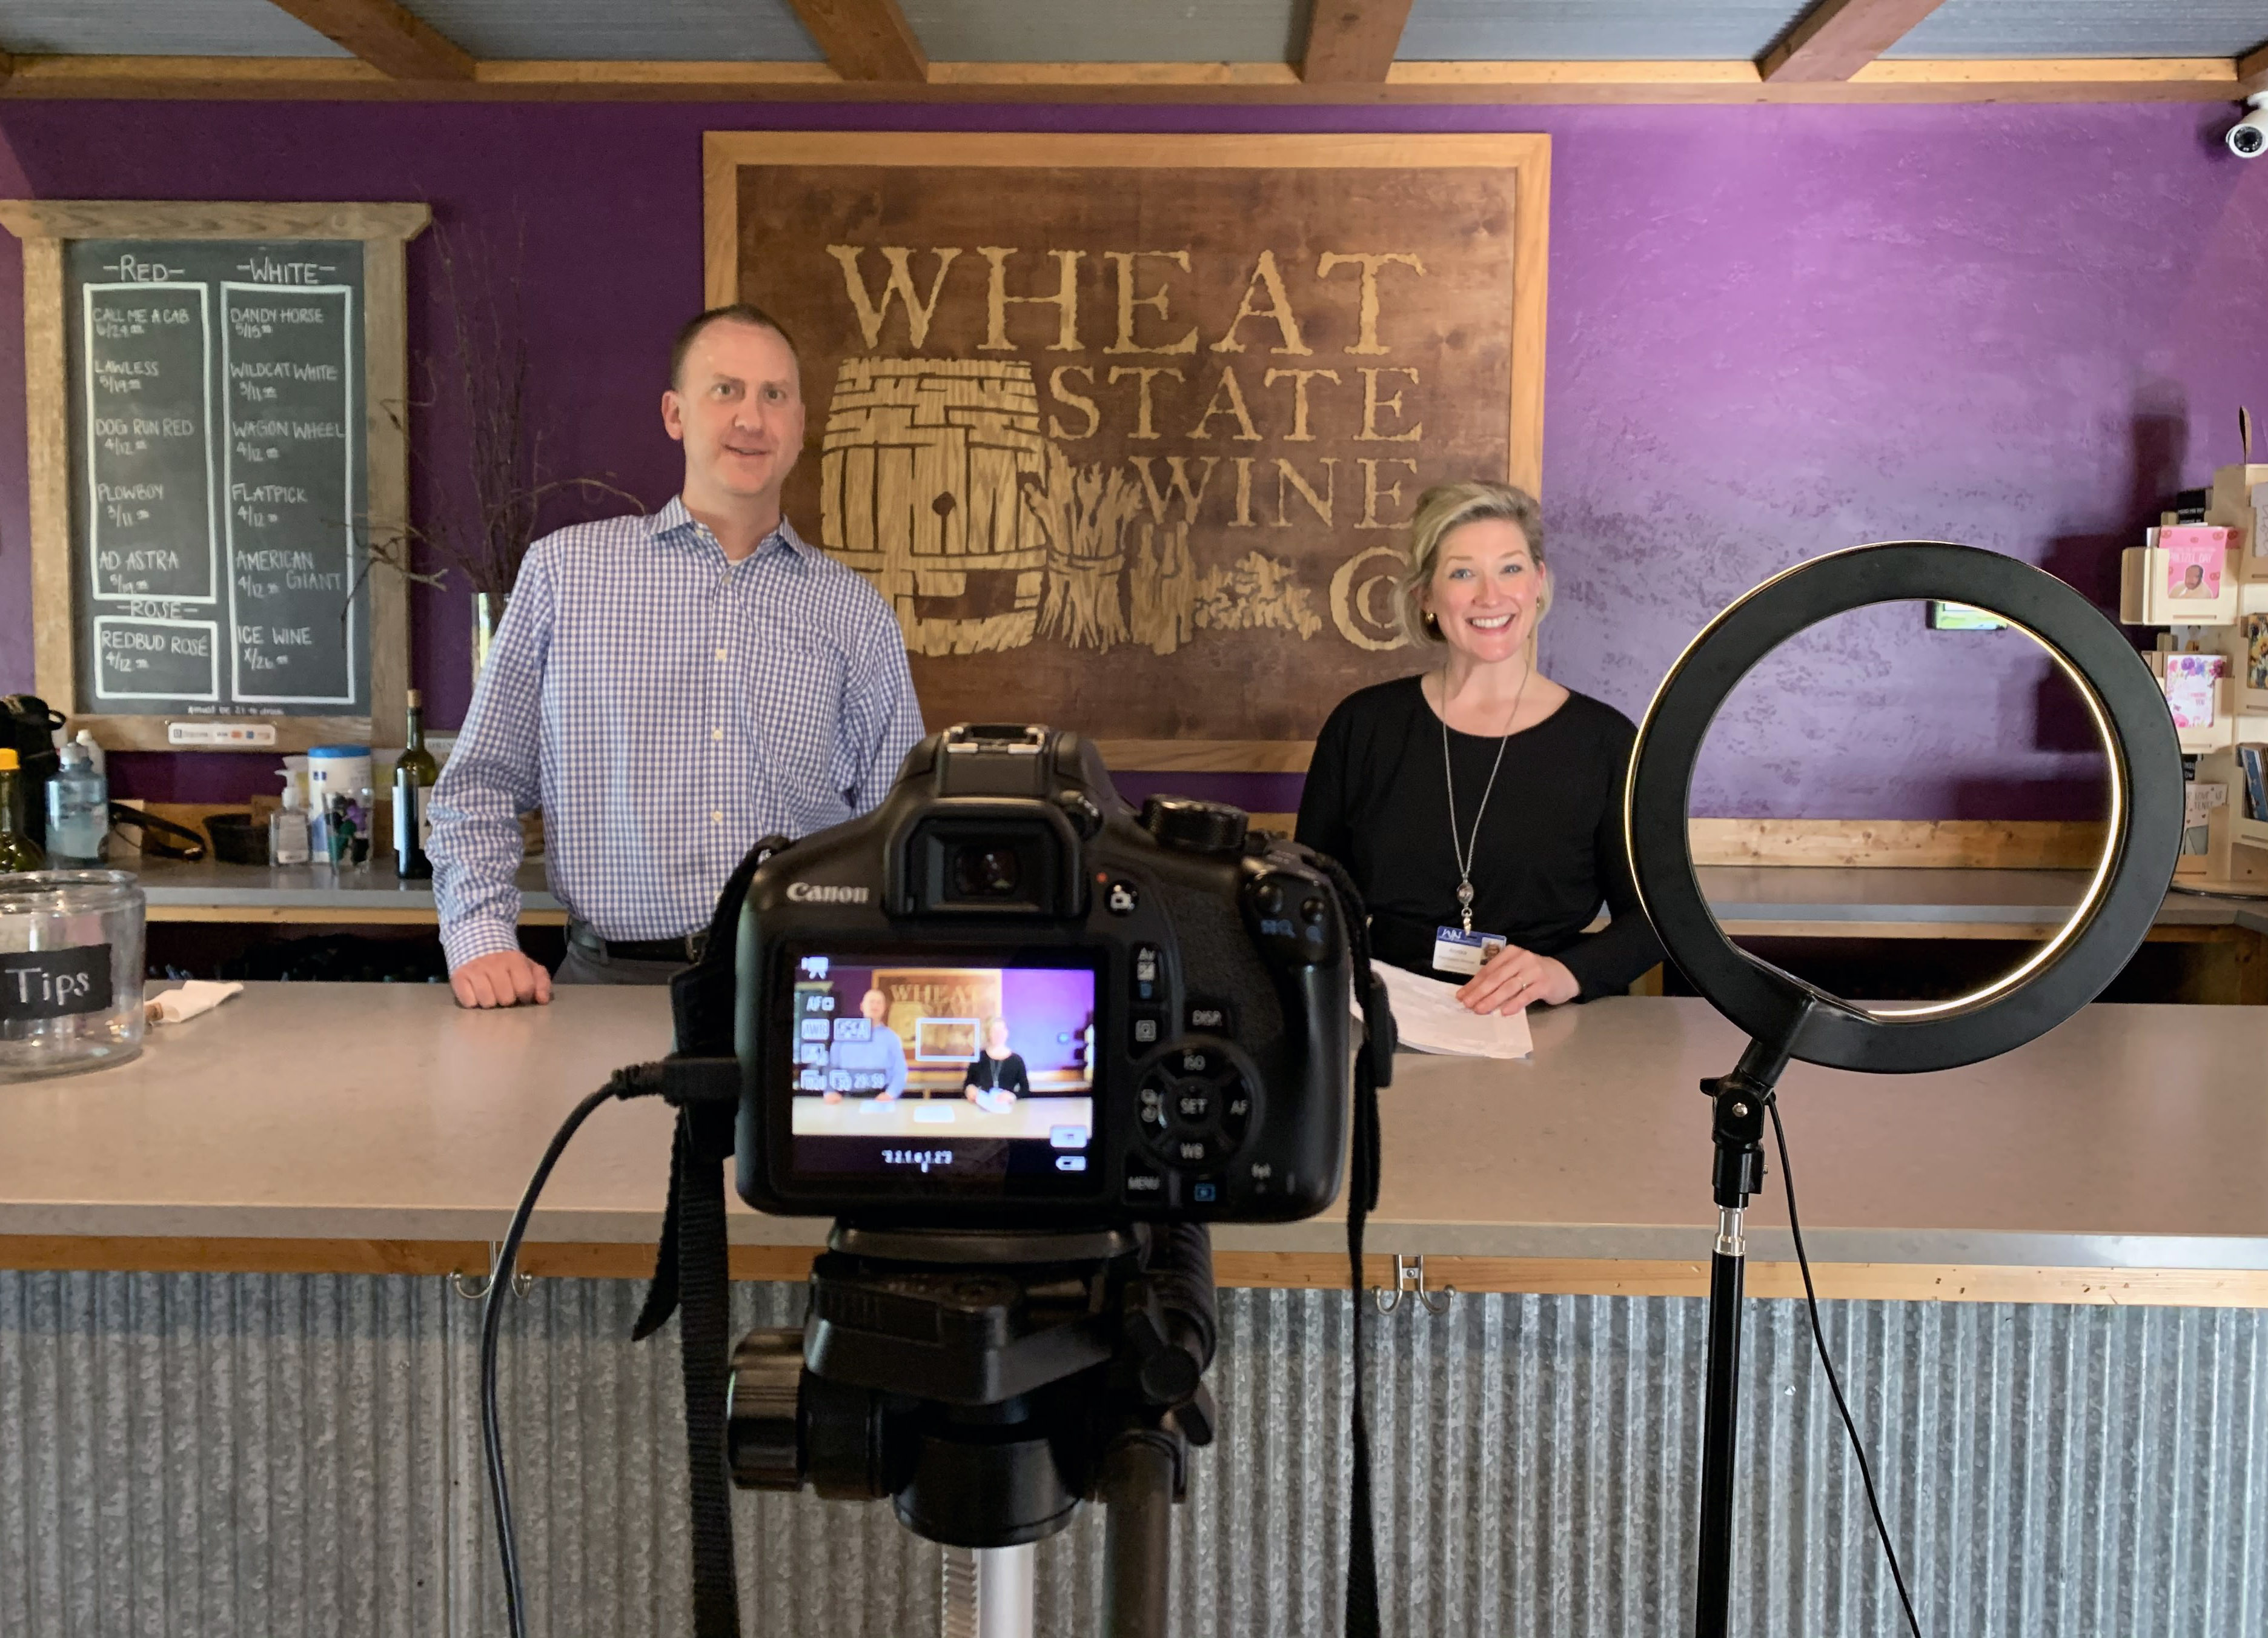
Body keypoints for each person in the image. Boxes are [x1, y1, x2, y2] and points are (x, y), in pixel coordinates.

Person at [429, 305, 924, 1006]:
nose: (751, 418)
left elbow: (896, 833)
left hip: (795, 996)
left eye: (774, 395)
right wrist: (482, 938)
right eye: (725, 390)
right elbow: (478, 785)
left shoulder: (855, 614)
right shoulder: (566, 575)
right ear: (675, 414)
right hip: (603, 988)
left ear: (799, 425)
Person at [1296, 480, 1663, 1013]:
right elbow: (1310, 897)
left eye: (1511, 568)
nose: (1491, 597)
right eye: (1463, 572)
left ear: (1538, 582)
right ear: (1426, 594)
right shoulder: (1362, 726)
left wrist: (1563, 974)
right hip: (1381, 1014)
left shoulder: (1605, 741)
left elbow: (1653, 921)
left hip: (1543, 1023)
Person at [826, 987, 907, 1102]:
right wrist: (830, 1091)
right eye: (871, 1002)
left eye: (879, 1003)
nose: (875, 1006)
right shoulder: (844, 1034)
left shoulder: (892, 1038)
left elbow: (900, 1071)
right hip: (846, 1098)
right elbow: (831, 1066)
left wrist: (890, 1094)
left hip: (881, 1098)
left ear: (884, 1008)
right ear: (862, 1006)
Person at [961, 1016, 1030, 1112]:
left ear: (1007, 1033)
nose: (999, 1034)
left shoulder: (1017, 1060)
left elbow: (1025, 1089)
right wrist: (969, 1090)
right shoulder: (978, 1057)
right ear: (988, 1034)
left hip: (1008, 1112)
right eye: (995, 1031)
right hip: (980, 1110)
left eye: (1002, 1030)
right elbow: (968, 1083)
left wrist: (1013, 1096)